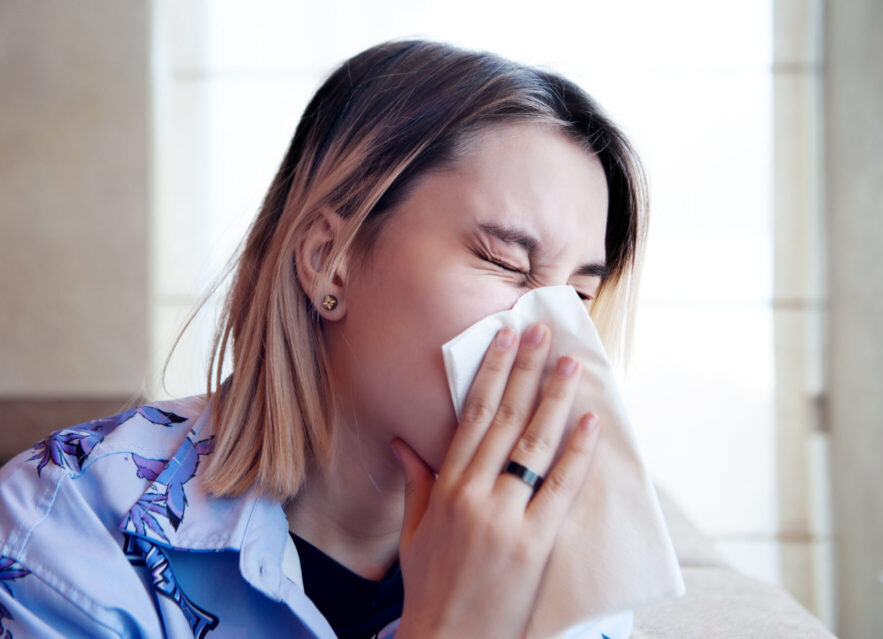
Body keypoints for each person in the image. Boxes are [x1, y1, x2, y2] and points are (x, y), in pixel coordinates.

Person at [0, 39, 647, 638]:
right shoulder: (63, 533)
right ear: (327, 258)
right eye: (507, 260)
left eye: (581, 296)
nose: (555, 334)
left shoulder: (576, 571)